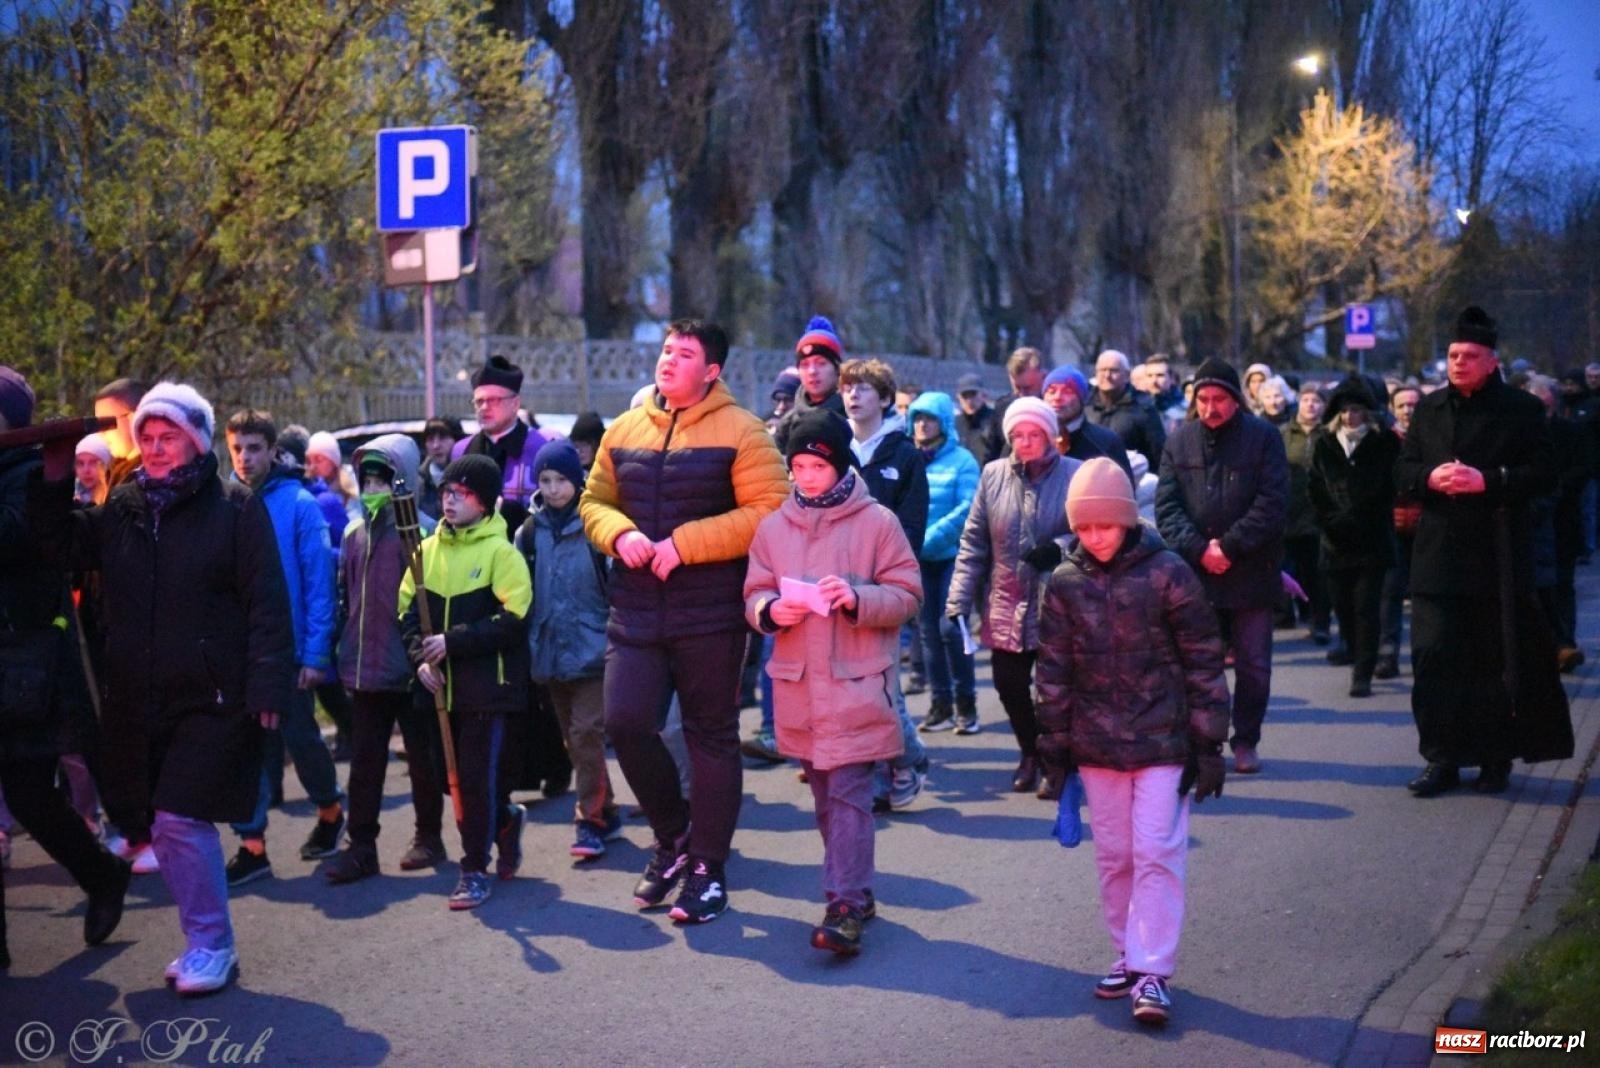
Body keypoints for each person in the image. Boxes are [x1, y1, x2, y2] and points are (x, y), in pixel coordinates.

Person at [30, 381, 296, 994]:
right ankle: (205, 940)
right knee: (160, 822)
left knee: (179, 818)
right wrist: (49, 475)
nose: (153, 447)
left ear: (197, 441)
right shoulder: (123, 507)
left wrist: (269, 686)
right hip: (139, 697)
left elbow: (266, 602)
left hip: (213, 695)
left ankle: (211, 944)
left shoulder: (233, 508)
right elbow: (61, 546)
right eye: (145, 436)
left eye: (167, 436)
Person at [579, 318, 788, 923]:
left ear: (712, 370)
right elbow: (595, 502)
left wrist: (684, 544)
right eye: (666, 350)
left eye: (684, 354)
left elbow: (768, 510)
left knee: (711, 736)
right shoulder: (626, 426)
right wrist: (620, 536)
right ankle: (672, 840)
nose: (667, 361)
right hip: (637, 610)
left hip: (712, 614)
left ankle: (707, 869)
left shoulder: (744, 432)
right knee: (624, 721)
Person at [1034, 456, 1230, 1027]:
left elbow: (1202, 660)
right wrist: (1054, 748)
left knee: (1158, 853)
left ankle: (1152, 971)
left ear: (1126, 520)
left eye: (1105, 525)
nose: (1094, 537)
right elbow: (1053, 670)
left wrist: (1209, 743)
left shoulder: (1169, 572)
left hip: (1164, 743)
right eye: (1084, 526)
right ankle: (1126, 951)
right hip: (1097, 747)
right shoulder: (1065, 583)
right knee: (1115, 856)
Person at [744, 408, 922, 955]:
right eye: (796, 465)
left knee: (848, 795)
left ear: (840, 463)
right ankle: (857, 890)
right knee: (824, 799)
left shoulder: (877, 523)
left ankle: (843, 904)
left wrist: (857, 599)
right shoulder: (774, 526)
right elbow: (752, 594)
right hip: (800, 688)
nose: (804, 475)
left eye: (815, 465)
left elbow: (909, 595)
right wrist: (771, 611)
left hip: (856, 683)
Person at [1395, 307, 1574, 797]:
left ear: (1491, 361)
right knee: (1433, 660)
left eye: (1469, 356)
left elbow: (1544, 474)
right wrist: (1428, 478)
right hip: (1436, 559)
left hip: (1496, 557)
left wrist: (1488, 481)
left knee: (1492, 664)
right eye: (1453, 355)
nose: (1458, 363)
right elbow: (1402, 471)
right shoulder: (1429, 410)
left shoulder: (1521, 410)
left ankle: (1495, 758)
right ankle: (1441, 759)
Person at [0, 367, 131, 970]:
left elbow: (25, 537)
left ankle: (101, 872)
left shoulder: (32, 474)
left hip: (23, 663)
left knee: (30, 794)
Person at [399, 454, 532, 909]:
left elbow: (513, 619)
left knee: (472, 780)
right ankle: (505, 819)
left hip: (484, 691)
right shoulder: (424, 553)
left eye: (463, 493)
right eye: (446, 492)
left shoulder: (501, 553)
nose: (450, 500)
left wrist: (452, 643)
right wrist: (420, 657)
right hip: (436, 691)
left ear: (487, 502)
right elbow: (407, 618)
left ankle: (473, 867)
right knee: (445, 778)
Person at [222, 410, 343, 887]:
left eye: (254, 448)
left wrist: (315, 655)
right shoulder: (224, 504)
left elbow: (318, 585)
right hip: (242, 652)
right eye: (237, 449)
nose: (246, 458)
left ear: (273, 450)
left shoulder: (299, 504)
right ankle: (253, 846)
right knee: (244, 747)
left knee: (301, 738)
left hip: (289, 651)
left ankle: (331, 811)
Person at [320, 435, 446, 884]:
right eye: (367, 479)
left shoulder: (425, 533)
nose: (373, 487)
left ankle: (429, 835)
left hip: (412, 667)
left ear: (403, 481)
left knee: (423, 758)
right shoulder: (355, 536)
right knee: (365, 761)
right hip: (365, 666)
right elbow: (344, 596)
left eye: (383, 479)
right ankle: (362, 845)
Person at [1156, 358, 1289, 775]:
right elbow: (1167, 507)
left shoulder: (1264, 438)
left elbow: (1272, 503)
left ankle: (1246, 739)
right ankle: (1205, 741)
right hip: (1197, 575)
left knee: (1253, 666)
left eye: (1219, 400)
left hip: (1251, 569)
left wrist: (1228, 546)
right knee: (1199, 664)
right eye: (1203, 399)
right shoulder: (1179, 441)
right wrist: (1200, 549)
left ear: (1236, 401)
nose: (1211, 408)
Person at [947, 397, 1082, 797]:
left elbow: (1096, 530)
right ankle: (1030, 751)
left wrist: (1060, 547)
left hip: (1059, 602)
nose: (1025, 441)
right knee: (1009, 685)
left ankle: (1058, 763)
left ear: (1050, 435)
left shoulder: (1076, 474)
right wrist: (958, 600)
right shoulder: (993, 475)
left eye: (1034, 434)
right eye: (1018, 435)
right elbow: (973, 542)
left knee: (1055, 691)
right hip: (1006, 599)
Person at [515, 440, 622, 860]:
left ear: (578, 482)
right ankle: (607, 809)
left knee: (585, 733)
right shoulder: (527, 533)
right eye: (545, 480)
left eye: (562, 479)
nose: (555, 488)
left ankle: (589, 821)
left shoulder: (596, 527)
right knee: (576, 741)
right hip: (550, 650)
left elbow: (616, 588)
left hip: (595, 649)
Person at [839, 358, 930, 810]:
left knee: (882, 688)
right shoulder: (836, 451)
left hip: (886, 590)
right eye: (848, 388)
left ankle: (902, 761)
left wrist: (890, 581)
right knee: (858, 689)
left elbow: (912, 528)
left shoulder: (904, 454)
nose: (853, 395)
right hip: (839, 588)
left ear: (885, 397)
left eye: (863, 388)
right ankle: (897, 767)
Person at [1307, 377, 1398, 698]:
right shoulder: (1324, 444)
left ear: (1367, 412)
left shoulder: (1384, 443)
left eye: (1356, 410)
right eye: (1345, 411)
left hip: (1371, 542)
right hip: (1334, 542)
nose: (1350, 417)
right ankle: (1353, 647)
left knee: (1366, 608)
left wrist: (1363, 518)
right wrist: (1331, 522)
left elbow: (1389, 489)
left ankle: (1363, 673)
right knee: (1343, 608)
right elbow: (1315, 489)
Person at [906, 391, 980, 734]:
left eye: (929, 418)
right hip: (918, 560)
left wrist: (927, 538)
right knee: (927, 633)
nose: (922, 424)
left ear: (944, 423)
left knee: (952, 628)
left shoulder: (963, 460)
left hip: (953, 557)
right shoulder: (908, 458)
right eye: (917, 417)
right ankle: (940, 706)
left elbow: (967, 509)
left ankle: (967, 705)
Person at [1522, 376, 1590, 672]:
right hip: (1531, 520)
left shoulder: (1571, 432)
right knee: (1539, 587)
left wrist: (1555, 489)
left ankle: (1565, 643)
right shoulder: (1520, 435)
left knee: (1561, 584)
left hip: (1562, 520)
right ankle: (1550, 645)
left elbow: (1584, 467)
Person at [462, 355, 550, 535]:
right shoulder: (461, 451)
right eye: (479, 401)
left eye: (493, 400)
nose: (484, 407)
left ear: (515, 403)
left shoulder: (543, 448)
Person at [1376, 384, 1422, 678]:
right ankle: (1387, 651)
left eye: (1413, 405)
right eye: (1402, 405)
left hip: (1424, 525)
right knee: (1389, 591)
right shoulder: (1384, 441)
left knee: (1423, 593)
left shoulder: (1431, 439)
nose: (1408, 410)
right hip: (1391, 525)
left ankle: (1424, 654)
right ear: (1393, 409)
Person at [1041, 366, 1133, 479]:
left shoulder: (1105, 442)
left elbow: (1124, 491)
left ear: (1081, 399)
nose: (1058, 397)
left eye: (1067, 391)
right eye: (1051, 391)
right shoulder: (1030, 439)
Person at [774, 316, 847, 451]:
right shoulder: (788, 425)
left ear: (837, 368)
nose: (812, 371)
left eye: (821, 363)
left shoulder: (852, 415)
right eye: (805, 364)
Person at [1088, 350, 1166, 463]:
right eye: (1102, 370)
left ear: (1126, 375)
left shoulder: (1144, 408)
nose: (1107, 375)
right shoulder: (1085, 405)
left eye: (1114, 370)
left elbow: (1158, 454)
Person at [982, 346, 1047, 463]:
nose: (1022, 394)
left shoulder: (1054, 409)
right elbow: (991, 453)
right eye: (1017, 387)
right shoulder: (1003, 407)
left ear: (1043, 376)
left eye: (1028, 388)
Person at [91, 378, 147, 489]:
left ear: (134, 418)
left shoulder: (149, 476)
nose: (101, 432)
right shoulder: (115, 469)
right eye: (99, 424)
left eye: (107, 422)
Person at [419, 416, 463, 520]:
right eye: (430, 439)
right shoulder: (418, 483)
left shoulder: (470, 478)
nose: (436, 446)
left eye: (442, 438)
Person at [954, 372, 996, 463]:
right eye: (965, 396)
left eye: (973, 394)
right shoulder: (955, 424)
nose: (969, 401)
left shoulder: (994, 421)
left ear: (983, 395)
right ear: (958, 398)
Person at [74, 434, 112, 505]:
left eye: (93, 463)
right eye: (80, 463)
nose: (86, 470)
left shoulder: (116, 496)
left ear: (105, 466)